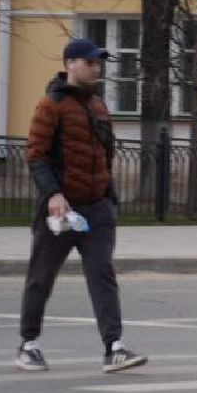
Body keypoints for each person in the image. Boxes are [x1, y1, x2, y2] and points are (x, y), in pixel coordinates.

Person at [17, 38, 148, 373]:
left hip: (97, 210)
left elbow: (106, 154)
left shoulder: (99, 107)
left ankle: (114, 347)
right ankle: (29, 344)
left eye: (98, 62)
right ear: (70, 64)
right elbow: (36, 155)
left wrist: (108, 198)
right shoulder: (51, 105)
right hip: (61, 210)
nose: (96, 68)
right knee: (41, 277)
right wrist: (53, 195)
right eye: (90, 62)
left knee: (102, 275)